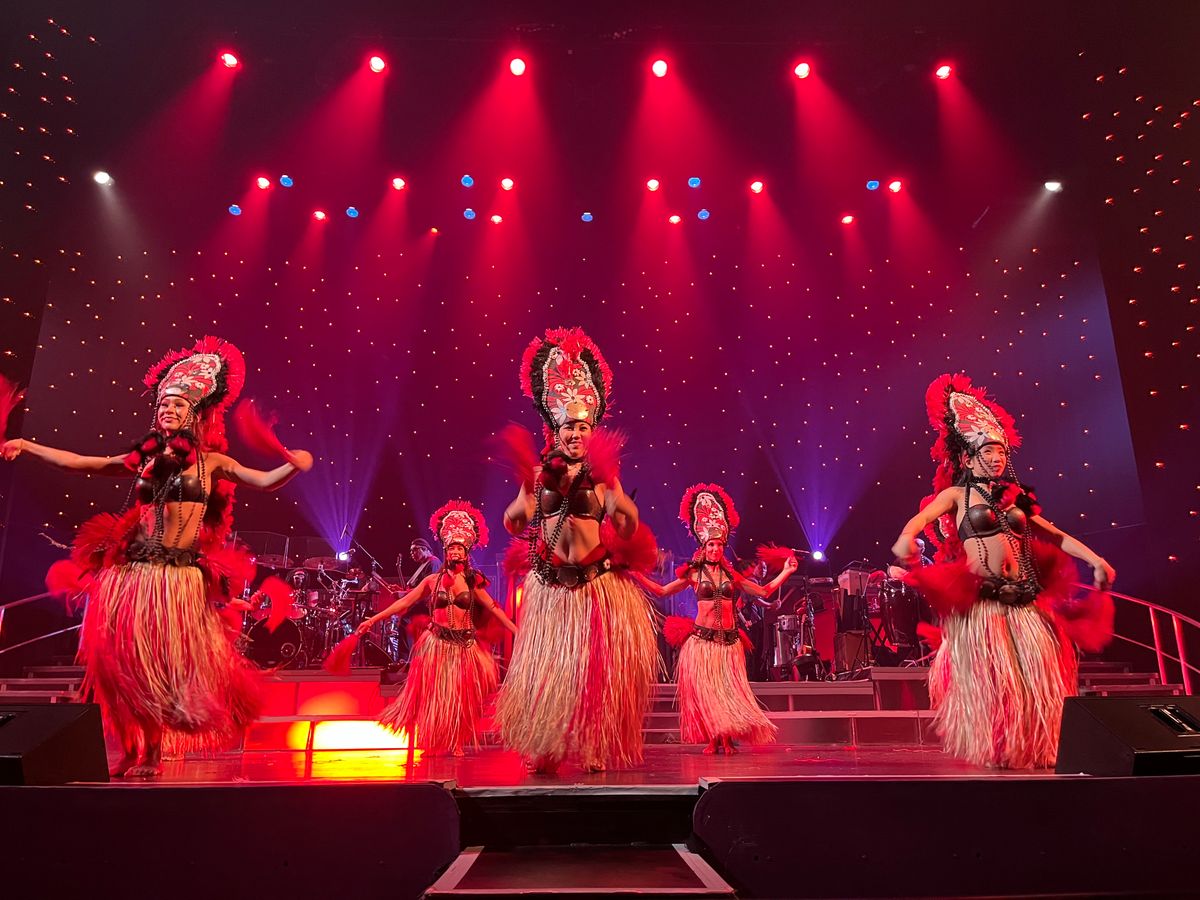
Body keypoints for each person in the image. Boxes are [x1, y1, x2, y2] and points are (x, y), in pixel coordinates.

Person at [2, 337, 312, 777]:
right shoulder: (144, 460)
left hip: (178, 578)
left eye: (177, 404)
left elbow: (263, 481)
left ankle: (156, 747)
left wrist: (294, 465)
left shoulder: (212, 462)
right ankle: (138, 748)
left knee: (167, 666)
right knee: (129, 667)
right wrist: (28, 445)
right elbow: (81, 462)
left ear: (194, 414)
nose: (167, 409)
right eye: (163, 404)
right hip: (135, 575)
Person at [891, 374, 1115, 769]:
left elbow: (1056, 535)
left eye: (1000, 452)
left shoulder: (1016, 499)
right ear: (966, 458)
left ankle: (1036, 745)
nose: (996, 458)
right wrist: (906, 538)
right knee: (998, 682)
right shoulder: (956, 495)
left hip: (1025, 602)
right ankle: (1000, 745)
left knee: (1035, 680)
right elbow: (919, 519)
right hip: (985, 606)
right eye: (987, 452)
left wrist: (1095, 559)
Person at [495, 326, 658, 774]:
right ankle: (545, 745)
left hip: (593, 586)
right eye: (569, 426)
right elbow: (516, 518)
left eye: (584, 426)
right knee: (549, 671)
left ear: (592, 430)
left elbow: (625, 520)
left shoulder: (603, 474)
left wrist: (624, 510)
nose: (576, 434)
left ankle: (590, 744)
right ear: (555, 428)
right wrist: (519, 506)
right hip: (550, 587)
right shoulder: (539, 473)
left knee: (591, 673)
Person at [635, 484, 797, 754]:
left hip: (729, 643)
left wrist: (787, 572)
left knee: (729, 692)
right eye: (711, 545)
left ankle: (726, 737)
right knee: (710, 692)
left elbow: (764, 591)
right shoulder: (693, 574)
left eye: (719, 545)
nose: (715, 549)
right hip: (704, 643)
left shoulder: (732, 576)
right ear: (703, 546)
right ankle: (714, 737)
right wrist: (635, 574)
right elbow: (662, 591)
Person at [358, 500, 516, 756]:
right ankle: (435, 738)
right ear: (445, 551)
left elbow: (494, 607)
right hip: (437, 644)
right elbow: (404, 603)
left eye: (459, 548)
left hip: (464, 646)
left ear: (466, 552)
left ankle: (457, 740)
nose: (455, 552)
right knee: (437, 696)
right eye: (451, 548)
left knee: (460, 697)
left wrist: (517, 631)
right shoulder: (432, 581)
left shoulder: (473, 582)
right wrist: (373, 620)